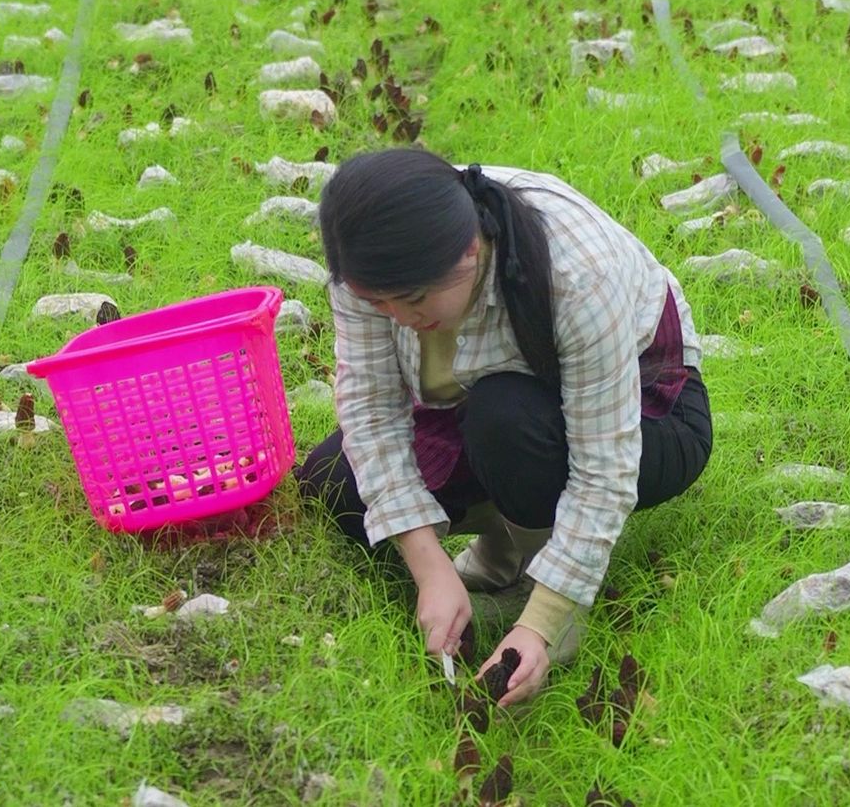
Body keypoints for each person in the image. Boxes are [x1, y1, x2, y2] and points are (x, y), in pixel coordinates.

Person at [295, 148, 712, 706]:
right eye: (379, 303)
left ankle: (545, 585)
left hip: (646, 410)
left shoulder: (575, 274)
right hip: (481, 401)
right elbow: (370, 412)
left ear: (470, 251)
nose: (397, 318)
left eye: (414, 300)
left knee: (506, 419)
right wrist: (430, 568)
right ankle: (506, 542)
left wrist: (542, 623)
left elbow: (605, 469)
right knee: (334, 485)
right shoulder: (370, 259)